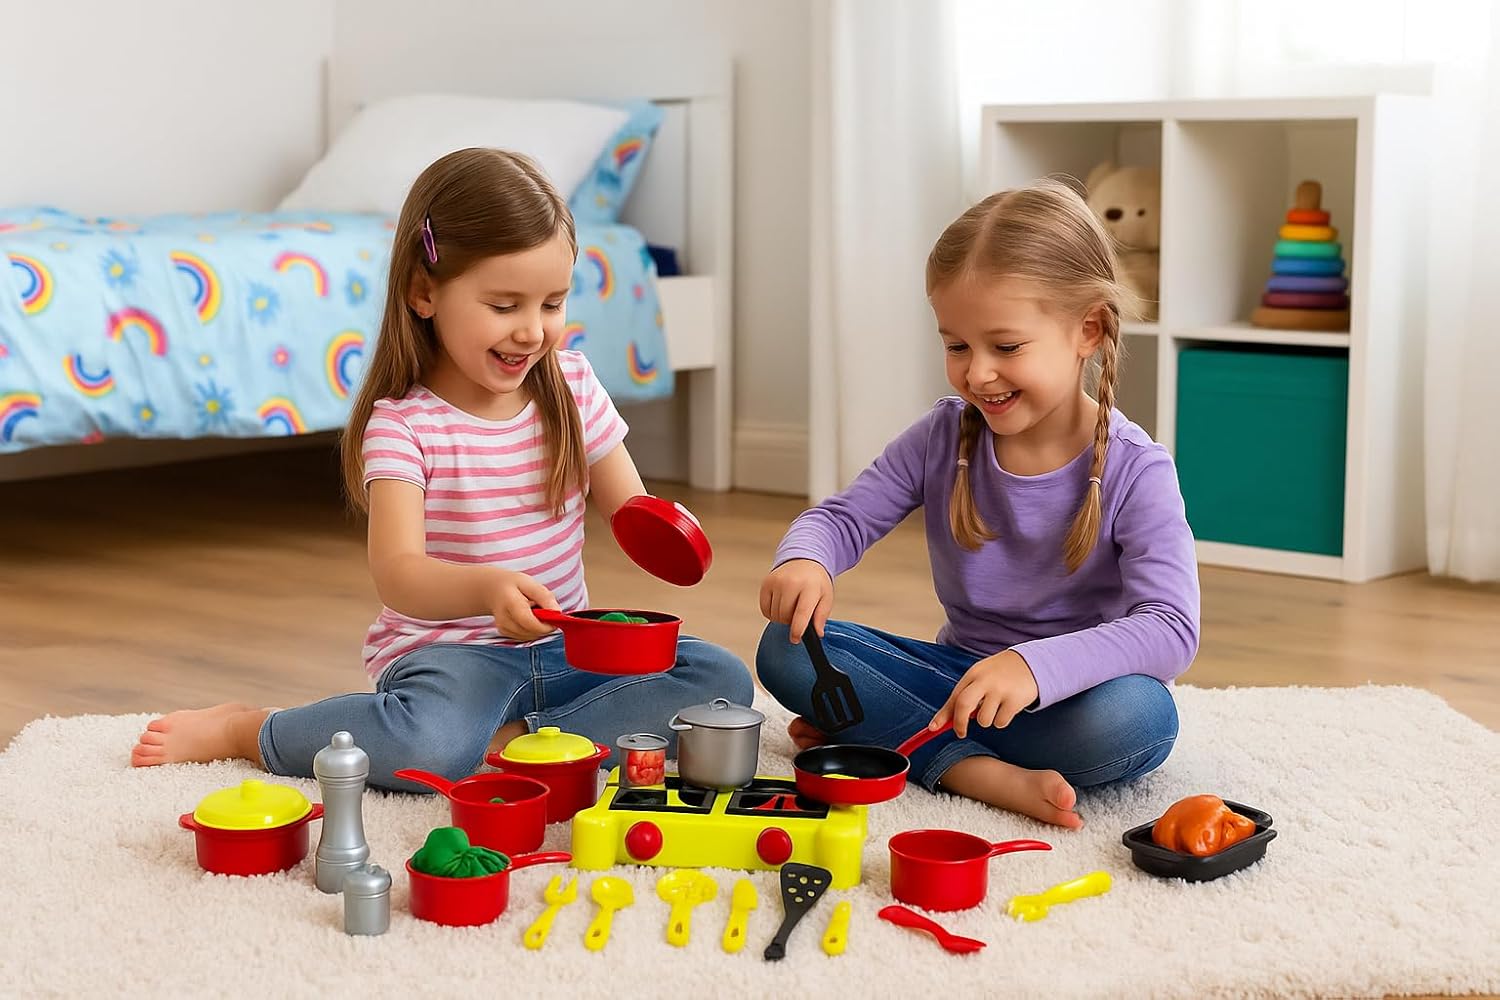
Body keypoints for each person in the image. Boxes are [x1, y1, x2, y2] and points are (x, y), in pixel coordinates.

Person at [131, 148, 752, 789]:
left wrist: (667, 533)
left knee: (720, 681)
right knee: (427, 743)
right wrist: (485, 589)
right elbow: (399, 573)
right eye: (504, 306)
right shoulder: (404, 425)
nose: (532, 332)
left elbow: (632, 510)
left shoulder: (572, 385)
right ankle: (251, 729)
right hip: (453, 660)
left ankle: (521, 740)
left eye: (552, 304)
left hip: (568, 647)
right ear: (424, 292)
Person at [756, 180, 1199, 829]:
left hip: (1067, 699)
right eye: (957, 345)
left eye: (1006, 347)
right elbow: (842, 519)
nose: (977, 373)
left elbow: (1171, 628)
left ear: (1089, 329)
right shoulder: (943, 435)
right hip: (954, 683)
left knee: (1141, 718)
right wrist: (806, 560)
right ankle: (972, 770)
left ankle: (892, 734)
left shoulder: (1138, 469)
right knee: (786, 647)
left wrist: (1032, 667)